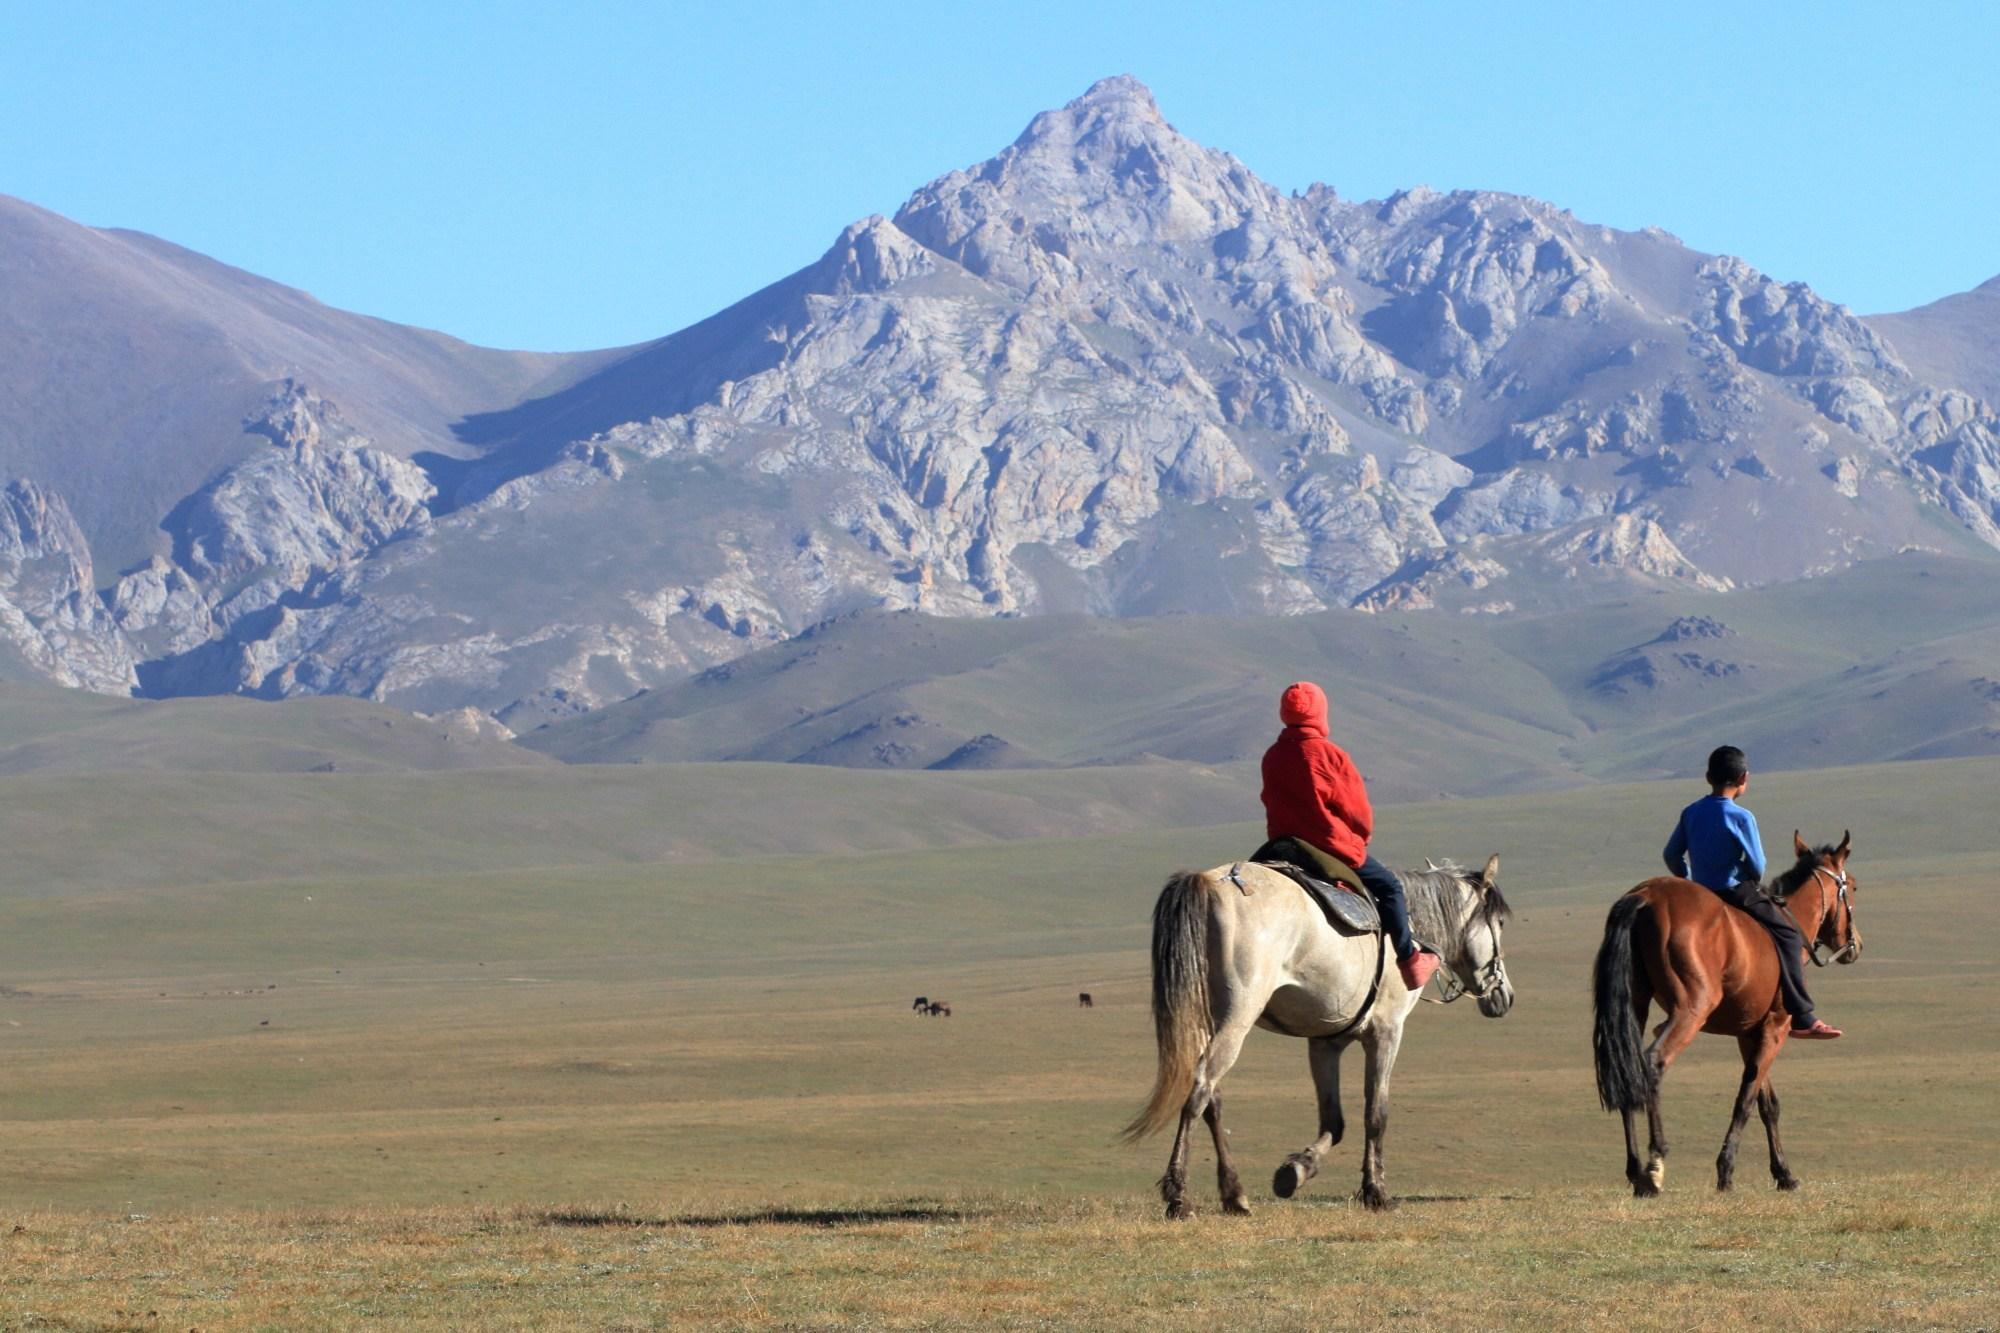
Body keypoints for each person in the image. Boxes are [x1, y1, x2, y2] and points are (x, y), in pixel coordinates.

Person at [1260, 681, 1438, 990]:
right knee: (1390, 887)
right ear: (1319, 713)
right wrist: (1358, 840)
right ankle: (1410, 961)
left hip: (1281, 846)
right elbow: (1357, 811)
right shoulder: (1330, 755)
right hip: (1327, 847)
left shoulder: (1272, 755)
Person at [1663, 745, 1842, 1040]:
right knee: (1789, 935)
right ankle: (1802, 1016)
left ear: (1708, 777)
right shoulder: (1741, 817)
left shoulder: (1690, 812)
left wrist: (1689, 879)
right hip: (1735, 891)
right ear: (1743, 778)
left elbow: (1671, 855)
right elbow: (1757, 864)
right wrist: (1748, 877)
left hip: (1701, 892)